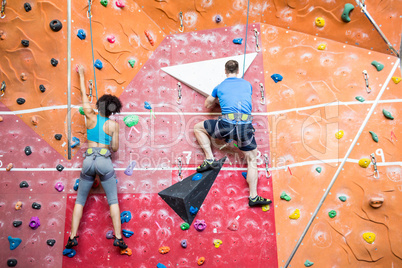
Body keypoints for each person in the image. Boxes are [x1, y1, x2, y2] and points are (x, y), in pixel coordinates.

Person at [65, 65, 128, 251]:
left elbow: (84, 97)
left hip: (88, 160)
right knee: (113, 201)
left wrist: (82, 75)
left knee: (80, 200)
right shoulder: (113, 126)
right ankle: (118, 237)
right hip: (104, 161)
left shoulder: (90, 117)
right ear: (112, 111)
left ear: (99, 106)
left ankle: (72, 236)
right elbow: (114, 148)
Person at [194, 60, 272, 207]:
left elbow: (207, 104)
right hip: (244, 128)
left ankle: (210, 159)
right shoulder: (247, 85)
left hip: (226, 126)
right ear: (237, 71)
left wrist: (217, 100)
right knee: (251, 159)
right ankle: (253, 196)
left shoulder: (220, 86)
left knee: (198, 128)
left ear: (225, 71)